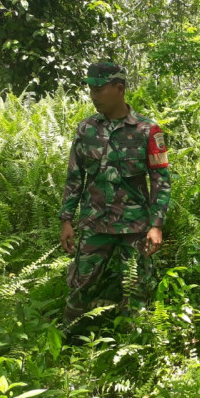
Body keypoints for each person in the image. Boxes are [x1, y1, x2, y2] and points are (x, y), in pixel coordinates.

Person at [59, 61, 171, 326]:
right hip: (94, 223)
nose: (93, 96)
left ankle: (134, 345)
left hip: (134, 226)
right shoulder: (86, 129)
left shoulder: (148, 131)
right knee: (80, 284)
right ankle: (67, 337)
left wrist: (156, 225)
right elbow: (75, 175)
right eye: (91, 90)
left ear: (119, 88)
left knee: (136, 289)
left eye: (99, 89)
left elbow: (160, 179)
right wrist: (66, 219)